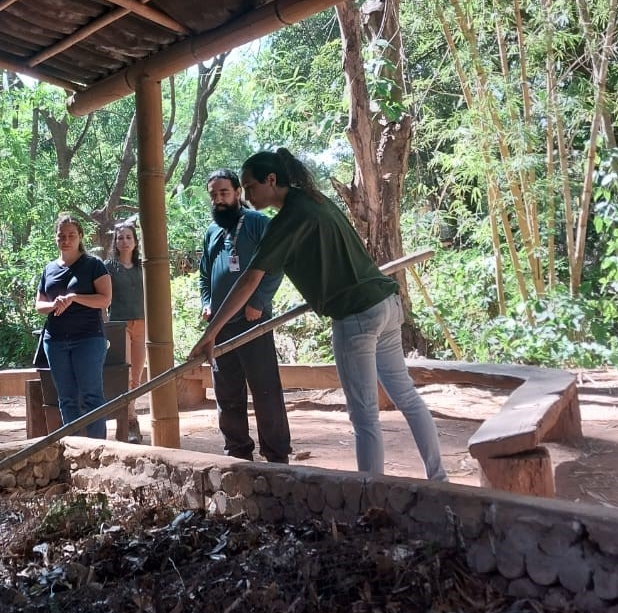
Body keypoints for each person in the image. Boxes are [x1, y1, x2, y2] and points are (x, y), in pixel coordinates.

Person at [190, 149, 447, 481]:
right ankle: (438, 478)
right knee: (407, 397)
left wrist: (210, 333)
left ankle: (369, 493)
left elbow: (250, 280)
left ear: (271, 180)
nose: (247, 194)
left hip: (355, 316)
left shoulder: (285, 221)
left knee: (364, 415)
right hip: (384, 303)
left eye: (250, 186)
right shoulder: (314, 200)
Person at [199, 169, 292, 463]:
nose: (219, 200)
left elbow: (277, 265)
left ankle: (276, 455)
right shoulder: (213, 231)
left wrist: (259, 301)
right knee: (226, 393)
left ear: (238, 192)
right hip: (220, 326)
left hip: (254, 321)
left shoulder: (257, 223)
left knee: (265, 391)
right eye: (214, 195)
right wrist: (206, 303)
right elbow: (204, 274)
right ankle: (238, 452)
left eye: (224, 193)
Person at [37, 214, 112, 438]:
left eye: (71, 235)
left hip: (88, 338)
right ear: (55, 238)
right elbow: (39, 305)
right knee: (66, 397)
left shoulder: (93, 265)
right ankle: (72, 447)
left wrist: (74, 298)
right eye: (61, 236)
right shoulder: (49, 269)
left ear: (80, 237)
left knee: (92, 395)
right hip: (55, 339)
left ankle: (99, 448)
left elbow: (105, 299)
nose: (66, 240)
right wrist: (54, 304)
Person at [105, 221, 146, 443]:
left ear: (136, 241)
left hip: (141, 324)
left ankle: (129, 419)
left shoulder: (144, 266)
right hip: (119, 327)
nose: (124, 241)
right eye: (120, 238)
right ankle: (130, 423)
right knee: (126, 376)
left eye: (128, 237)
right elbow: (103, 298)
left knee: (137, 378)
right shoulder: (109, 267)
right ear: (115, 241)